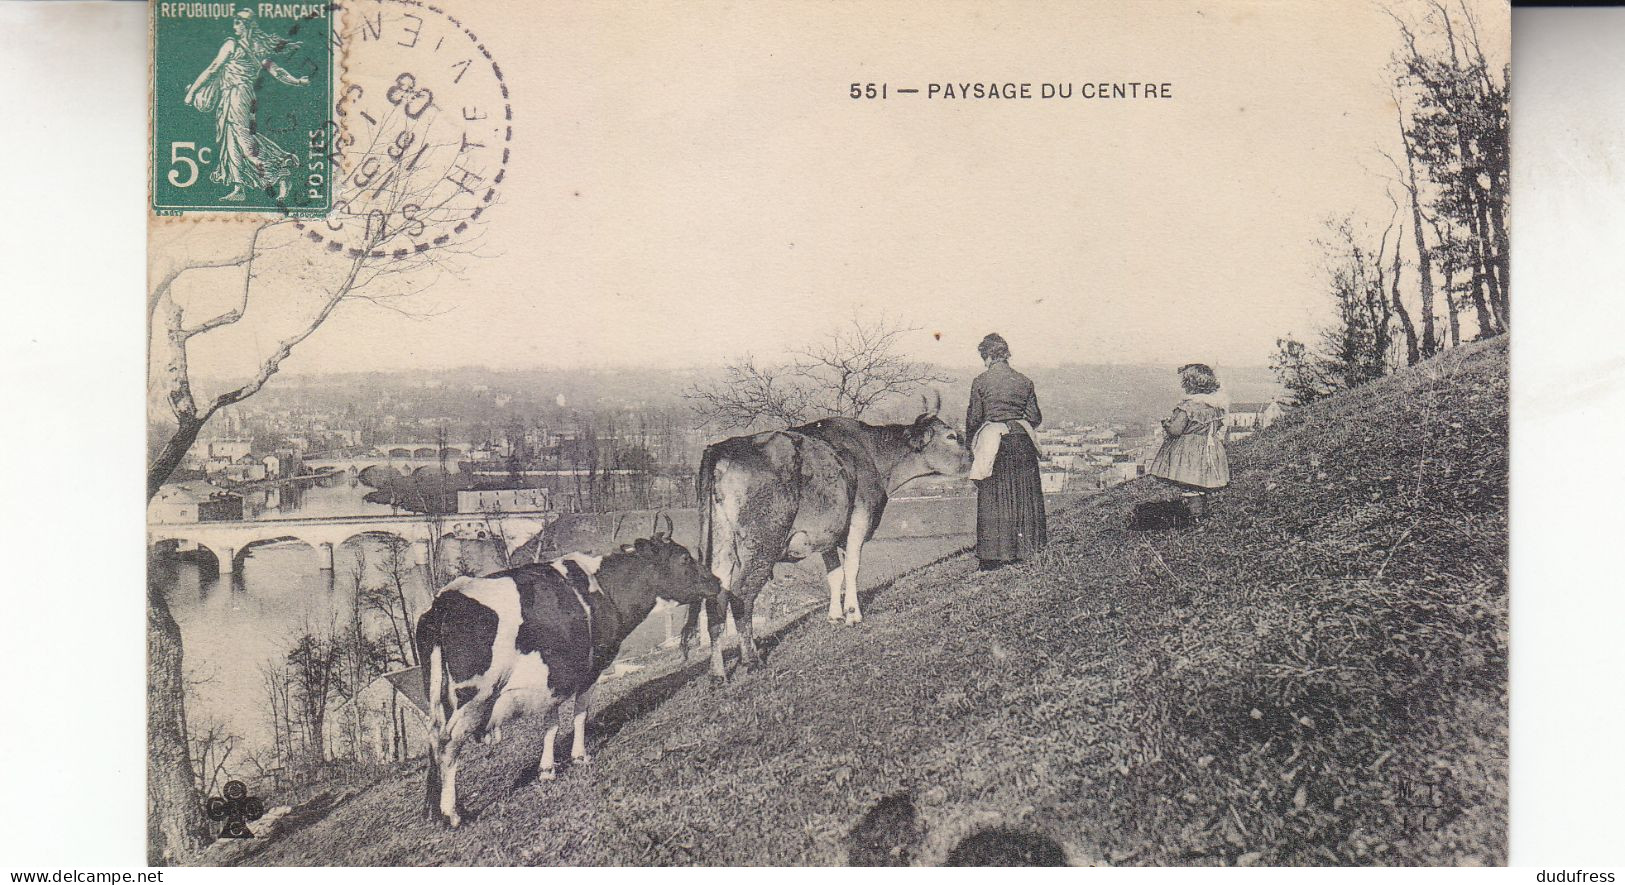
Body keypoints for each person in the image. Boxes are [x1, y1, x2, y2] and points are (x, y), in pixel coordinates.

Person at [183, 11, 309, 202]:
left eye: (237, 23)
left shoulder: (231, 45)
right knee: (231, 140)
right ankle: (238, 187)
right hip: (235, 96)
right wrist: (297, 81)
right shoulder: (259, 49)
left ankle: (281, 172)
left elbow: (212, 69)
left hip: (237, 96)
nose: (234, 27)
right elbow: (278, 72)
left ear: (245, 25)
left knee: (244, 141)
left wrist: (192, 92)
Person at [966, 333, 1047, 570]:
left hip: (994, 443)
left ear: (988, 355)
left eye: (984, 356)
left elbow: (973, 419)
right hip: (1022, 442)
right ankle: (1028, 549)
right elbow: (1034, 417)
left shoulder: (981, 381)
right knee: (1024, 495)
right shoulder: (1024, 381)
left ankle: (993, 556)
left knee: (994, 497)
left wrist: (971, 442)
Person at [1146, 363, 1231, 519]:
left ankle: (1195, 517)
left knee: (1190, 484)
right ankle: (1204, 515)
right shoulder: (1215, 407)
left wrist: (1167, 424)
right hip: (1209, 449)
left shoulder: (1187, 407)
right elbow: (1218, 427)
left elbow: (1176, 430)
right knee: (1201, 484)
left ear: (1189, 384)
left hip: (1188, 452)